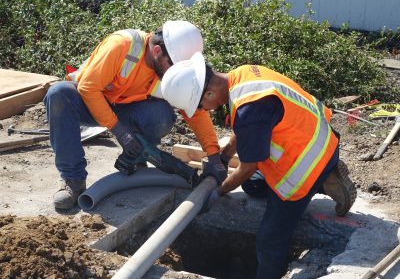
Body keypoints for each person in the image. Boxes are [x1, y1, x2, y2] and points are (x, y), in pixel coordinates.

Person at [160, 52, 357, 279]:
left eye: (202, 106)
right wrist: (223, 158)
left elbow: (247, 167)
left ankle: (319, 182)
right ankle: (326, 179)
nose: (206, 110)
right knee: (253, 186)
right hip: (323, 144)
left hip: (307, 166)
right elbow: (246, 131)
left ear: (210, 93)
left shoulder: (248, 110)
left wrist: (218, 191)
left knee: (269, 240)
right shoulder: (244, 75)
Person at [44, 21, 227, 210]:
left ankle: (138, 156)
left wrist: (214, 156)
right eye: (171, 64)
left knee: (161, 115)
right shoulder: (122, 46)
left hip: (127, 109)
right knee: (58, 94)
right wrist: (120, 131)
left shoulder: (169, 70)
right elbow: (89, 88)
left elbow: (194, 111)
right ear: (156, 51)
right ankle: (73, 179)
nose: (174, 72)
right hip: (89, 102)